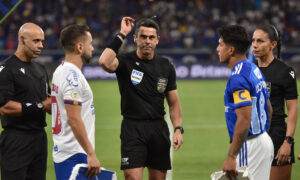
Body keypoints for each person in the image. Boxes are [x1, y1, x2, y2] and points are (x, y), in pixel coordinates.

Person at [99, 17, 183, 180]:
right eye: (143, 37)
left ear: (157, 40)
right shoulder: (125, 61)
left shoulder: (166, 66)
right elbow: (104, 62)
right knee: (131, 177)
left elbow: (173, 103)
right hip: (132, 127)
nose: (147, 41)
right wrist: (122, 33)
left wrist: (178, 128)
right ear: (135, 38)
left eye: (151, 37)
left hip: (158, 128)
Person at [216, 25, 274, 180]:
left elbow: (244, 118)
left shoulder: (237, 76)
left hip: (249, 146)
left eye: (220, 44)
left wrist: (232, 156)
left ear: (231, 50)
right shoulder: (252, 68)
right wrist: (261, 134)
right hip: (263, 141)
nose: (217, 49)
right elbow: (268, 107)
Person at [0, 23, 51, 180]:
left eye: (42, 41)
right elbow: (5, 107)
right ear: (22, 40)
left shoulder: (41, 69)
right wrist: (42, 106)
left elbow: (47, 100)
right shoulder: (6, 69)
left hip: (39, 138)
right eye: (36, 41)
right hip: (16, 139)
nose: (40, 45)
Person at [51, 24, 100, 180]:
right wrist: (91, 153)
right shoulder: (72, 77)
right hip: (75, 153)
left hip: (65, 151)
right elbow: (73, 118)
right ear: (80, 47)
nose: (92, 48)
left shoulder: (60, 70)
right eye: (90, 44)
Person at [252, 25, 298, 180]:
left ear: (273, 44)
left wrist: (288, 141)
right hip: (252, 136)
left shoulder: (285, 71)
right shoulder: (248, 70)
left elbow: (292, 109)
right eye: (253, 40)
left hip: (276, 134)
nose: (255, 45)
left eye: (260, 41)